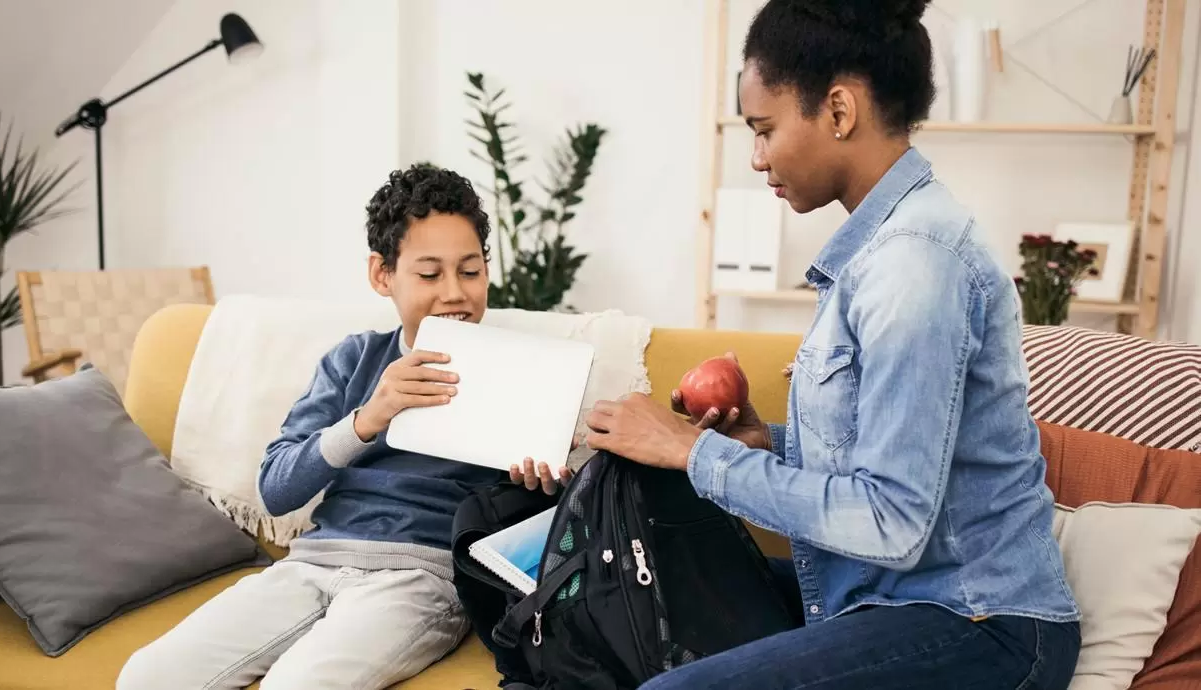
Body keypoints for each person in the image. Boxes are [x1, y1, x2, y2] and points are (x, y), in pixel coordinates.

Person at [582, 1, 1082, 688]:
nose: (756, 158)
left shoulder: (915, 266)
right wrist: (772, 445)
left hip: (977, 621)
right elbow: (901, 457)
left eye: (764, 129)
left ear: (839, 111)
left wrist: (692, 452)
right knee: (637, 595)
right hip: (884, 597)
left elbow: (892, 521)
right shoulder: (878, 252)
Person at [118, 164, 562, 690]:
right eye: (429, 274)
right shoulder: (353, 360)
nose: (455, 293)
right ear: (382, 275)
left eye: (470, 271)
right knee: (146, 677)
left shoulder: (522, 375)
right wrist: (368, 418)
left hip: (421, 578)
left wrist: (546, 487)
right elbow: (276, 489)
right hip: (311, 564)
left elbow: (535, 528)